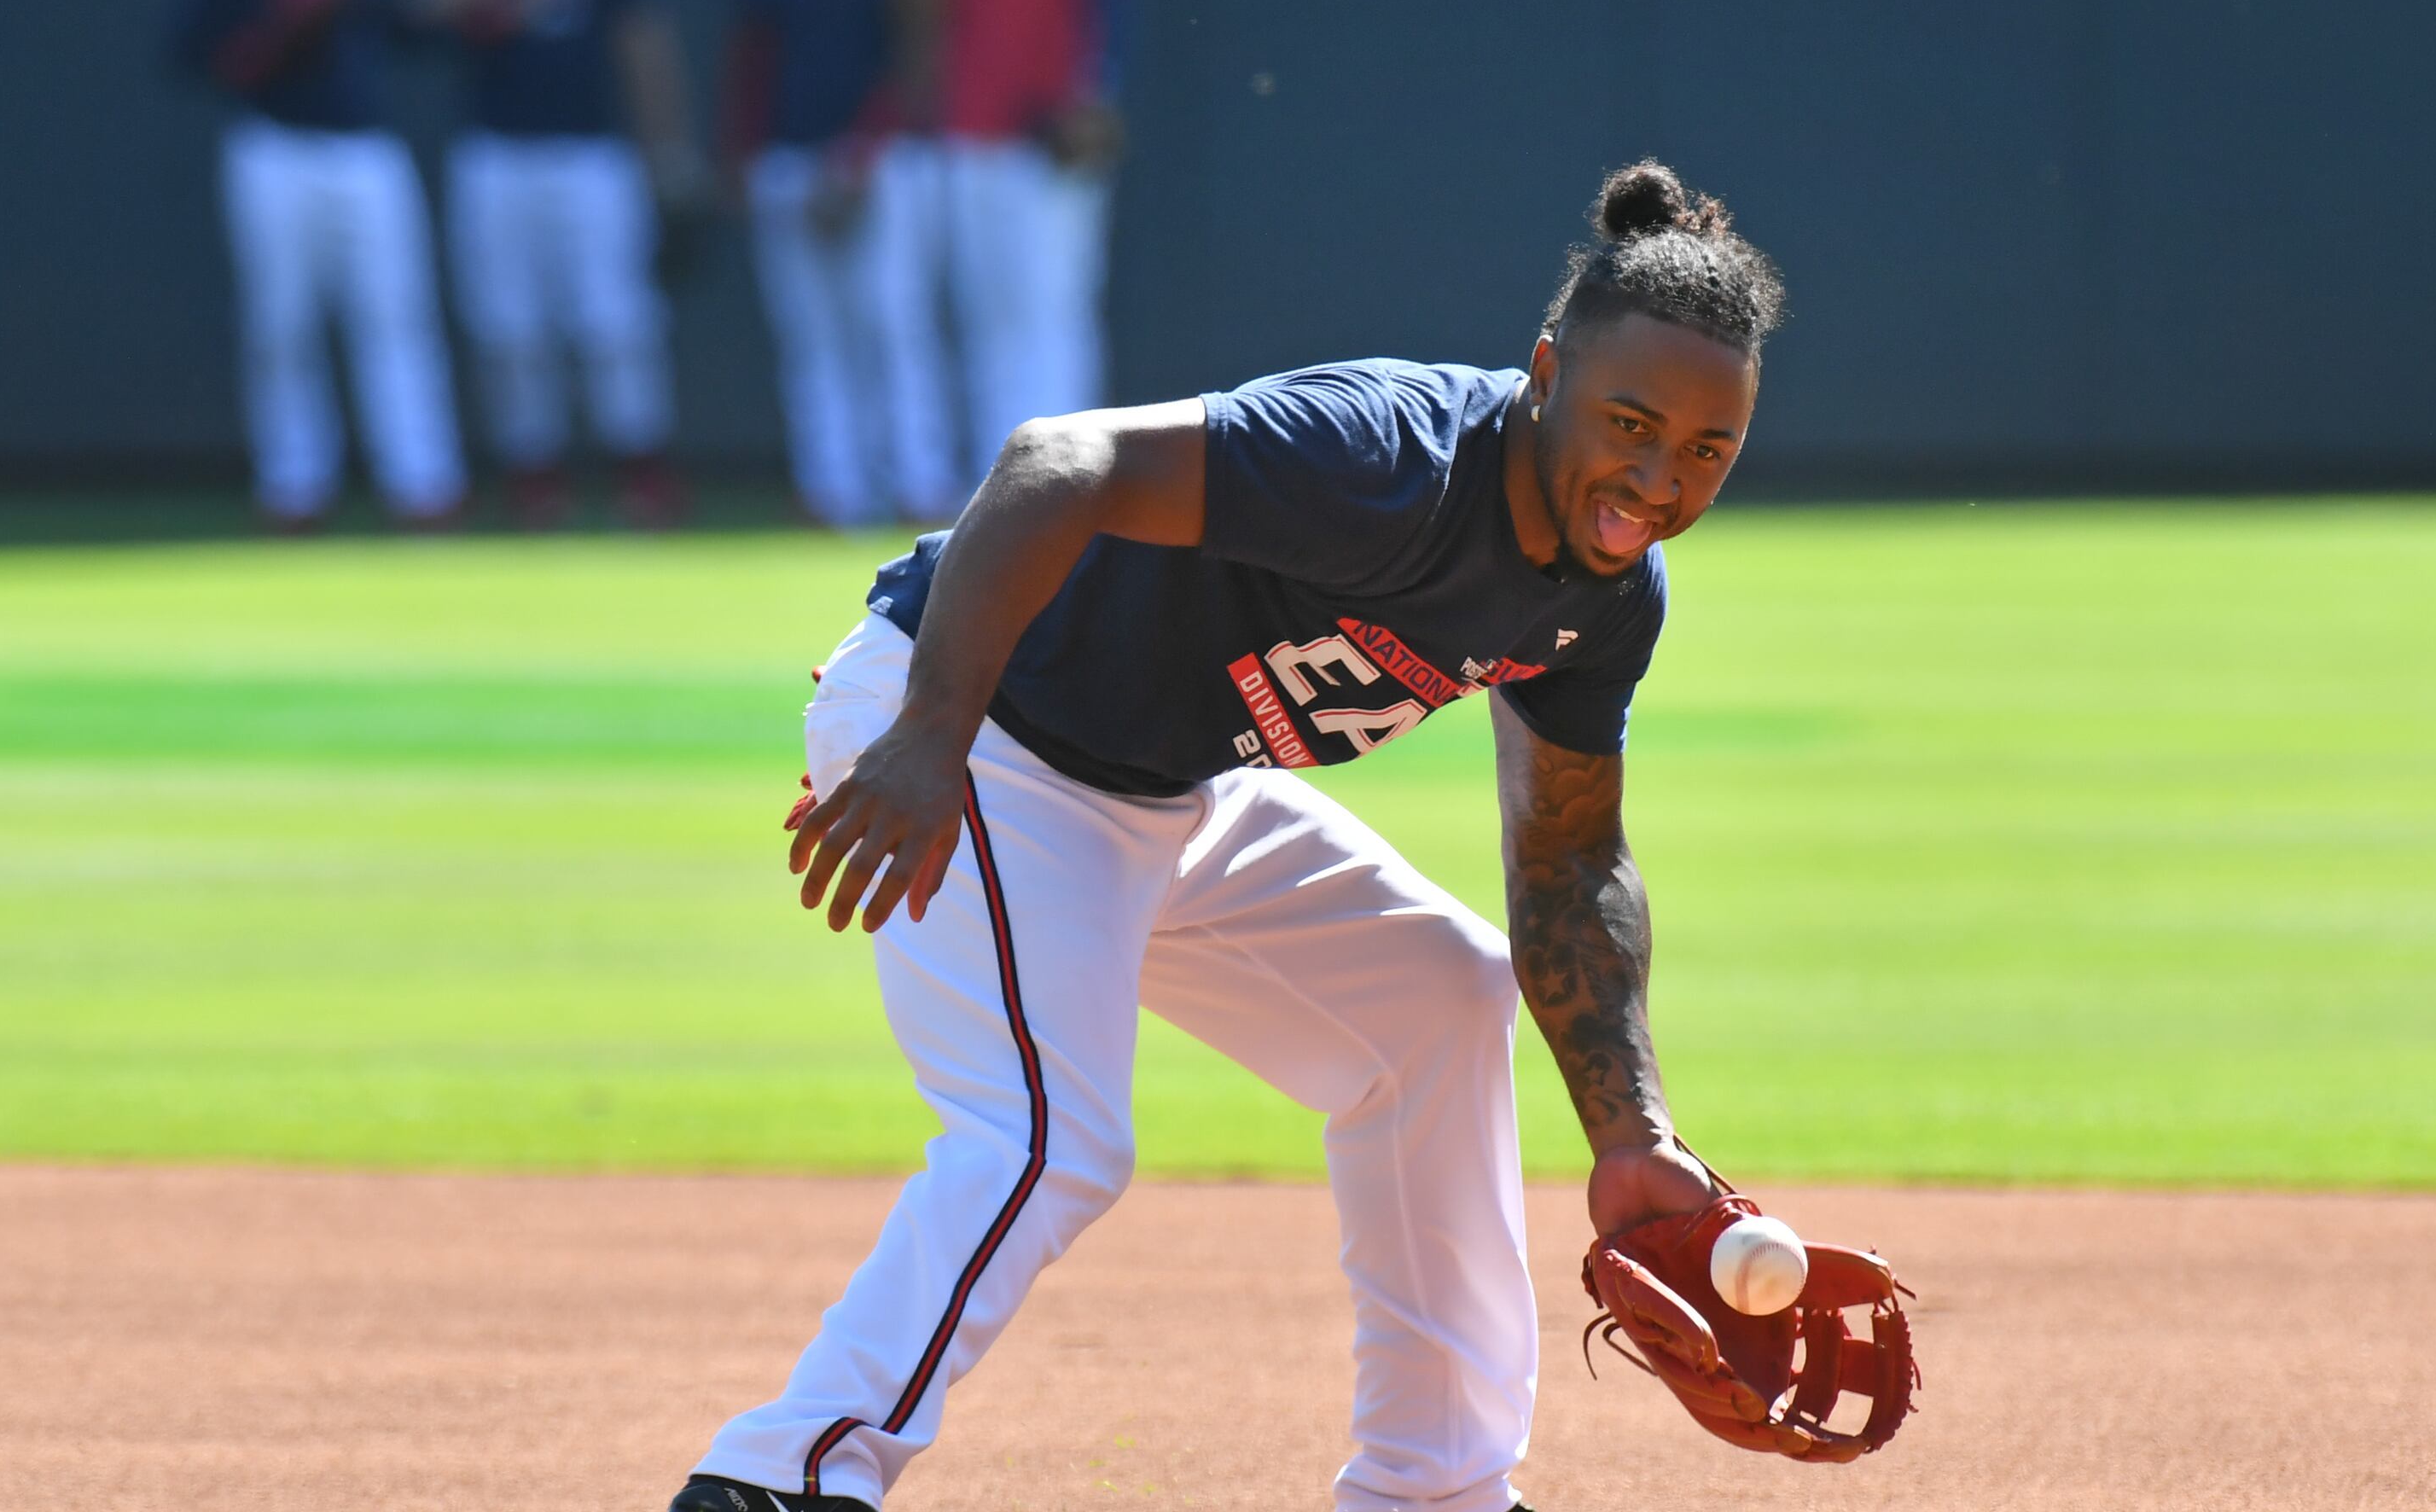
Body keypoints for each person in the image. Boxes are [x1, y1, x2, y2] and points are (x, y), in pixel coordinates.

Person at [676, 161, 1789, 1512]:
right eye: (1631, 422)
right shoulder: (1386, 459)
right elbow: (1054, 462)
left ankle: (1435, 1491)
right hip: (979, 722)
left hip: (1163, 790)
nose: (1658, 476)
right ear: (1546, 372)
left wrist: (1631, 1133)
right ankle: (782, 1477)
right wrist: (926, 735)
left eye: (1705, 451)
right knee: (1048, 1138)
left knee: (1439, 997)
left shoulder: (1605, 603)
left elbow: (1567, 855)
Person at [167, 0, 466, 533]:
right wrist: (284, 17)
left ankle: (422, 485)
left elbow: (406, 26)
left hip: (365, 152)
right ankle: (294, 486)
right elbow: (193, 58)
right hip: (273, 149)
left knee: (396, 317)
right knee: (281, 324)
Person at [410, 0, 708, 529]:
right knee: (509, 326)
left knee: (614, 321)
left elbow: (646, 50)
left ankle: (641, 468)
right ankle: (533, 473)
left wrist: (666, 152)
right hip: (496, 156)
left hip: (590, 159)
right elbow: (424, 11)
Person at [875, 0, 1141, 498]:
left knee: (1053, 310)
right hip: (965, 143)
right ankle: (1003, 485)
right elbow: (909, 22)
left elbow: (1111, 8)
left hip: (1048, 141)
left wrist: (1098, 98)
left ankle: (1070, 479)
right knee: (986, 320)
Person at [723, 0, 958, 529]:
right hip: (789, 164)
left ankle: (921, 482)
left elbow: (914, 56)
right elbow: (751, 64)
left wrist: (865, 147)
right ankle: (832, 488)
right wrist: (742, 155)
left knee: (892, 323)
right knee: (811, 334)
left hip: (880, 162)